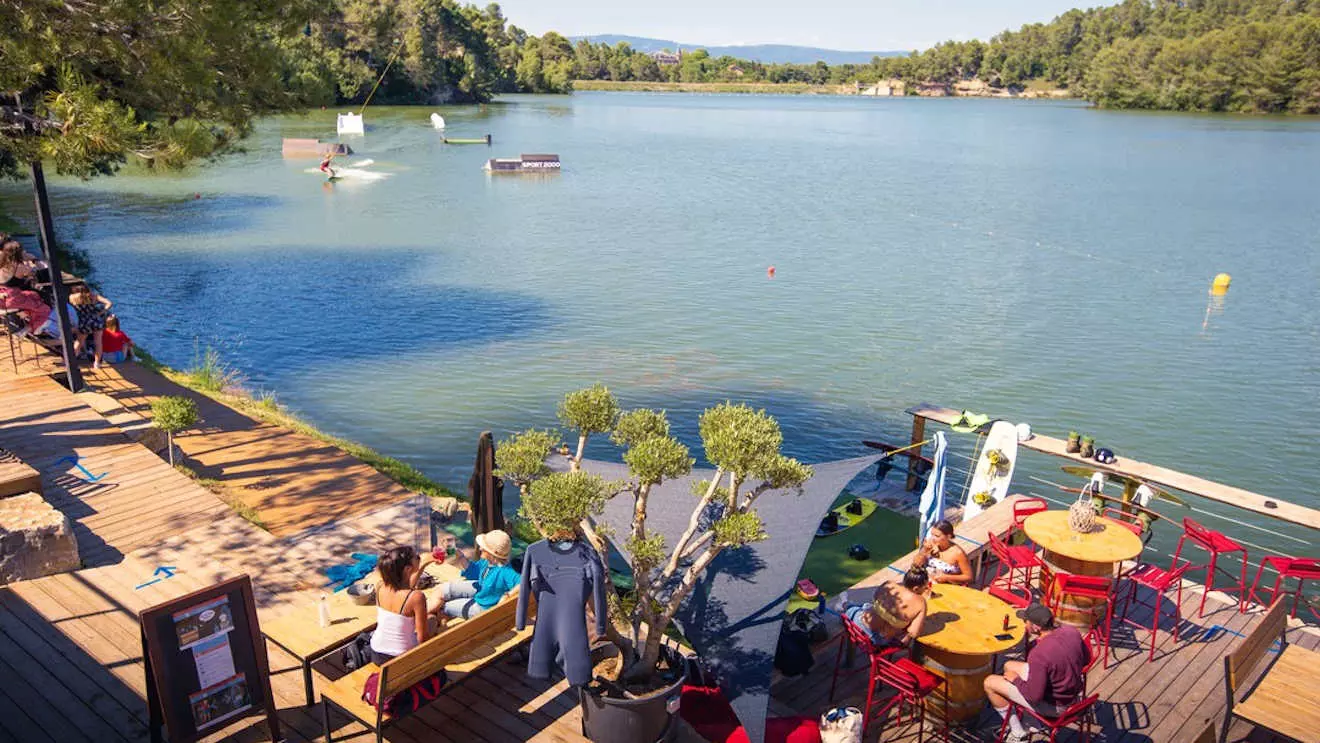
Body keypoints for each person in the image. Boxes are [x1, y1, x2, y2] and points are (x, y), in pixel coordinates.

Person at [983, 603, 1089, 743]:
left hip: (1057, 707)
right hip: (1073, 696)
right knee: (1009, 665)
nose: (1024, 624)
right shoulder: (1071, 631)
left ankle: (1017, 734)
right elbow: (1086, 659)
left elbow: (1033, 696)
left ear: (1036, 627)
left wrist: (1016, 680)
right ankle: (1032, 722)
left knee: (989, 682)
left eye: (1026, 621)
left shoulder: (1039, 654)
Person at [369, 545, 439, 664]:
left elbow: (404, 589)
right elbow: (422, 638)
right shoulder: (417, 597)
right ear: (407, 569)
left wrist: (423, 564)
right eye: (416, 557)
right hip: (403, 658)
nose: (419, 557)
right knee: (432, 620)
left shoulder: (380, 585)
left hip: (376, 653)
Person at [435, 529, 518, 620]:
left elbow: (522, 584)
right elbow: (473, 571)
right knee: (443, 590)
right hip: (480, 592)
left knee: (444, 606)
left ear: (493, 553)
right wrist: (457, 554)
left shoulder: (506, 571)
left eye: (484, 547)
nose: (480, 548)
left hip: (483, 608)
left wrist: (507, 596)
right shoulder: (487, 562)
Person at [841, 567, 931, 650]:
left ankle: (845, 604)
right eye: (925, 587)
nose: (926, 589)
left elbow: (875, 598)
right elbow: (914, 633)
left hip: (857, 624)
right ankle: (846, 604)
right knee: (864, 606)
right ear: (916, 588)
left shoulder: (889, 584)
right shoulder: (921, 603)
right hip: (876, 640)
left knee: (865, 606)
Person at [913, 520, 973, 584]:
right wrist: (924, 550)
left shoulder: (958, 553)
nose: (932, 538)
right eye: (932, 535)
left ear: (948, 536)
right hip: (926, 583)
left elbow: (969, 577)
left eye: (937, 536)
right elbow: (916, 564)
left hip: (947, 586)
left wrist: (946, 577)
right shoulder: (930, 545)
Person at [69, 285, 111, 368]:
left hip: (84, 321)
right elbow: (109, 303)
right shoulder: (93, 296)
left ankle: (72, 361)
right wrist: (102, 312)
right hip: (96, 320)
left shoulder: (73, 297)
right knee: (98, 343)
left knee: (79, 342)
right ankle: (97, 363)